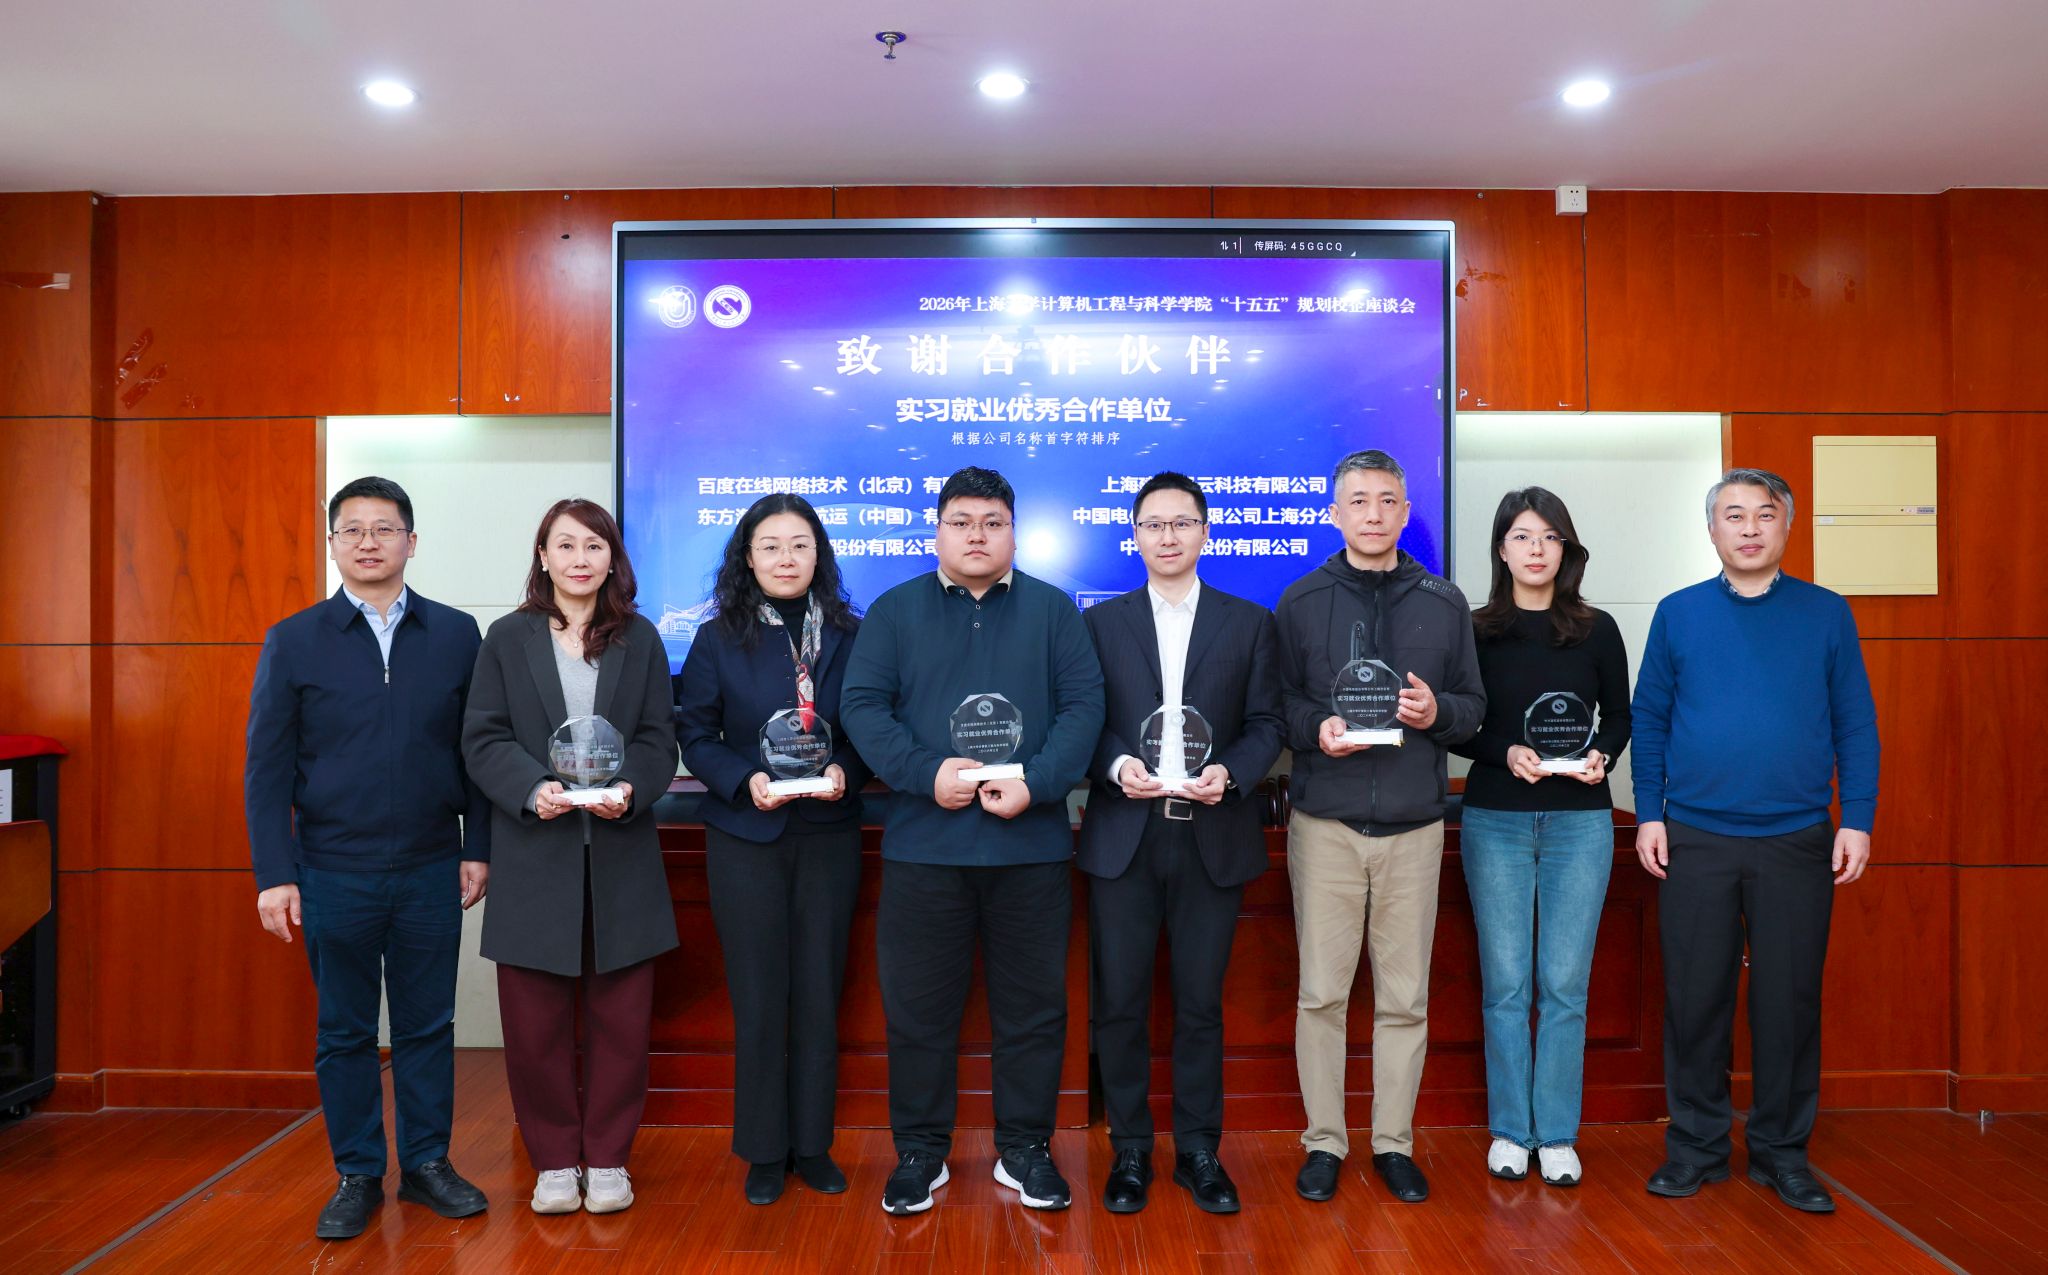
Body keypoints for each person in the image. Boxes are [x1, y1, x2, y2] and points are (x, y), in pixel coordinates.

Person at [840, 466, 1105, 1216]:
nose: (977, 536)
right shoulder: (894, 610)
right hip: (925, 848)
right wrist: (926, 773)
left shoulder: (1054, 611)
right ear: (938, 531)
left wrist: (1039, 783)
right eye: (961, 522)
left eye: (993, 522)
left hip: (1031, 849)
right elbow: (863, 707)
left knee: (1034, 1010)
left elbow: (1084, 708)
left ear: (1014, 531)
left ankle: (1026, 1149)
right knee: (919, 1011)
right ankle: (920, 1153)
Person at [244, 475, 491, 1240]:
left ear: (412, 542)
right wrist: (274, 874)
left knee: (427, 1023)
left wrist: (478, 847)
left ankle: (426, 1163)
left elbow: (478, 751)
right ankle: (356, 1172)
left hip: (430, 864)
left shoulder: (456, 634)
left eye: (384, 528)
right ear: (333, 544)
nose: (368, 542)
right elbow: (266, 768)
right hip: (330, 869)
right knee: (345, 1030)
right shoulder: (294, 639)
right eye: (352, 529)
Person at [1633, 468, 1877, 1215]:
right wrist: (1649, 813)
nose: (1748, 528)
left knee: (1789, 1003)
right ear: (1711, 529)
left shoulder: (1826, 613)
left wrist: (1857, 817)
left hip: (1797, 838)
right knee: (1695, 999)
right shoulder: (1678, 613)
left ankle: (1780, 1154)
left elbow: (1855, 721)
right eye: (1732, 515)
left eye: (1763, 515)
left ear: (1786, 525)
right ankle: (1697, 1148)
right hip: (1694, 836)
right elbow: (1650, 719)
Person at [1274, 448, 1484, 1206]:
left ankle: (1393, 1142)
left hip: (1414, 827)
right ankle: (1324, 1142)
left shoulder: (1444, 602)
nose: (1372, 513)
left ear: (1405, 511)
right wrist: (1315, 728)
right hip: (1326, 823)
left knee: (1405, 999)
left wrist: (1437, 713)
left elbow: (1473, 708)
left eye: (1387, 500)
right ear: (1335, 513)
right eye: (1357, 501)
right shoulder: (1301, 600)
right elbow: (1280, 706)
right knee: (1320, 995)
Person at [462, 498, 680, 1216]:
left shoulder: (640, 638)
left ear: (613, 558)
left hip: (621, 852)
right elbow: (483, 736)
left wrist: (631, 788)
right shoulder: (507, 637)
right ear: (543, 556)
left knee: (622, 1020)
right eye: (565, 545)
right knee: (534, 1025)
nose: (580, 558)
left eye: (594, 545)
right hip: (535, 849)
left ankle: (609, 1158)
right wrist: (533, 789)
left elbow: (657, 737)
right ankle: (555, 1160)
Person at [1078, 472, 1285, 1215]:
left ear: (1205, 531)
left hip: (1211, 833)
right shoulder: (1099, 625)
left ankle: (1199, 1149)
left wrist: (1232, 772)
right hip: (1124, 836)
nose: (1168, 536)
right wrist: (1115, 765)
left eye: (1182, 523)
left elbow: (1268, 723)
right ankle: (1131, 1149)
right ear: (1134, 535)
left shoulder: (1249, 622)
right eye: (1154, 524)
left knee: (1200, 1004)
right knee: (1120, 1003)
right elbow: (1081, 719)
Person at [675, 494, 869, 1205]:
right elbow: (696, 734)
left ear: (819, 553)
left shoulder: (852, 633)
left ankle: (811, 1144)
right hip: (746, 836)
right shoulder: (716, 638)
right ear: (748, 558)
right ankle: (763, 1149)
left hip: (827, 832)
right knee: (758, 996)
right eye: (770, 546)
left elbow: (874, 722)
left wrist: (847, 768)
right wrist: (743, 779)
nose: (786, 559)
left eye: (799, 545)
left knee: (819, 991)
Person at [1451, 487, 1631, 1188]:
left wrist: (1602, 755)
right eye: (1523, 536)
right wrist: (1505, 753)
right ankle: (1509, 1129)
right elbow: (1454, 724)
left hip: (1580, 823)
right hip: (1494, 817)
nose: (1536, 549)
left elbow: (1619, 716)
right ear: (1502, 548)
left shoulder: (1596, 628)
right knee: (1505, 984)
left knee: (1563, 984)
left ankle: (1555, 1133)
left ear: (1567, 550)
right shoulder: (1474, 630)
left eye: (1550, 537)